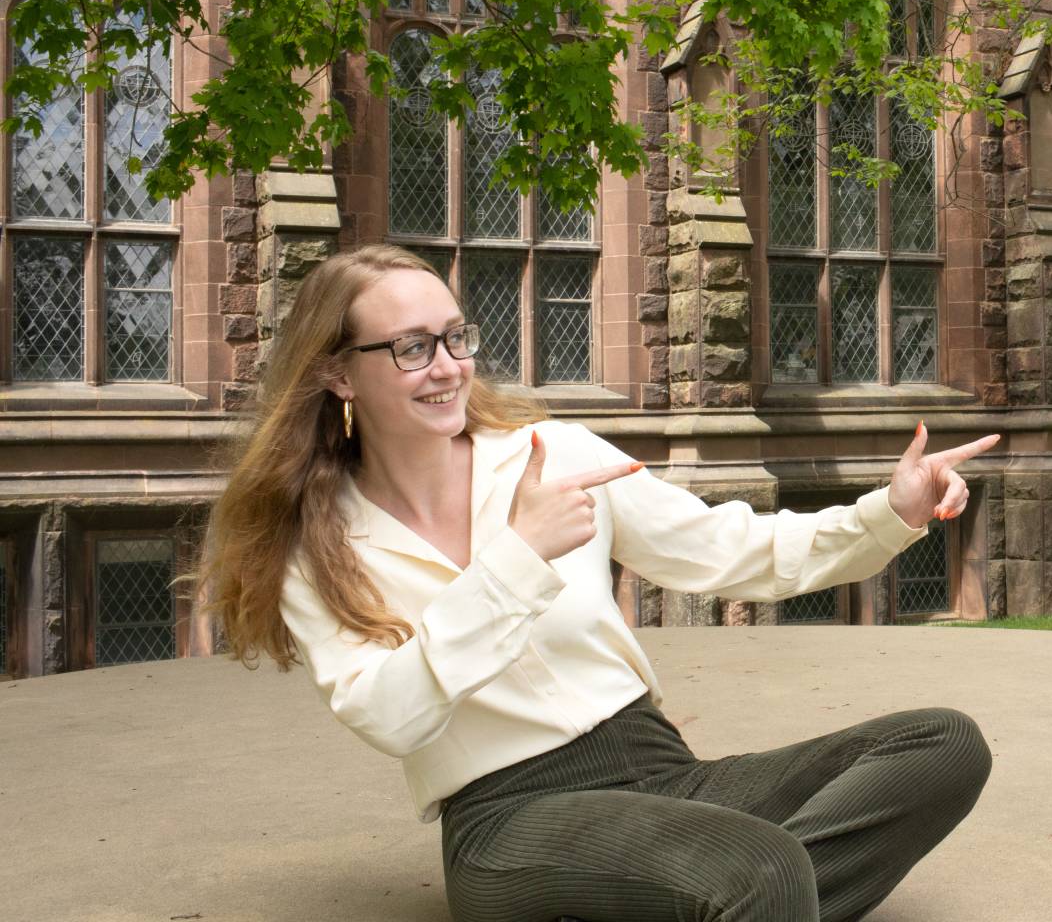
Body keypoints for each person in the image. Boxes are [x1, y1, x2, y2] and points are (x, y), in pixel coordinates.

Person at [198, 245, 999, 922]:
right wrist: (516, 559)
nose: (446, 368)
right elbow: (387, 715)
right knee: (758, 868)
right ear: (340, 373)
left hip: (664, 772)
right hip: (509, 816)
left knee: (939, 744)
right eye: (410, 348)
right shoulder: (317, 546)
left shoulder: (553, 451)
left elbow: (730, 551)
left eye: (454, 337)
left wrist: (887, 514)